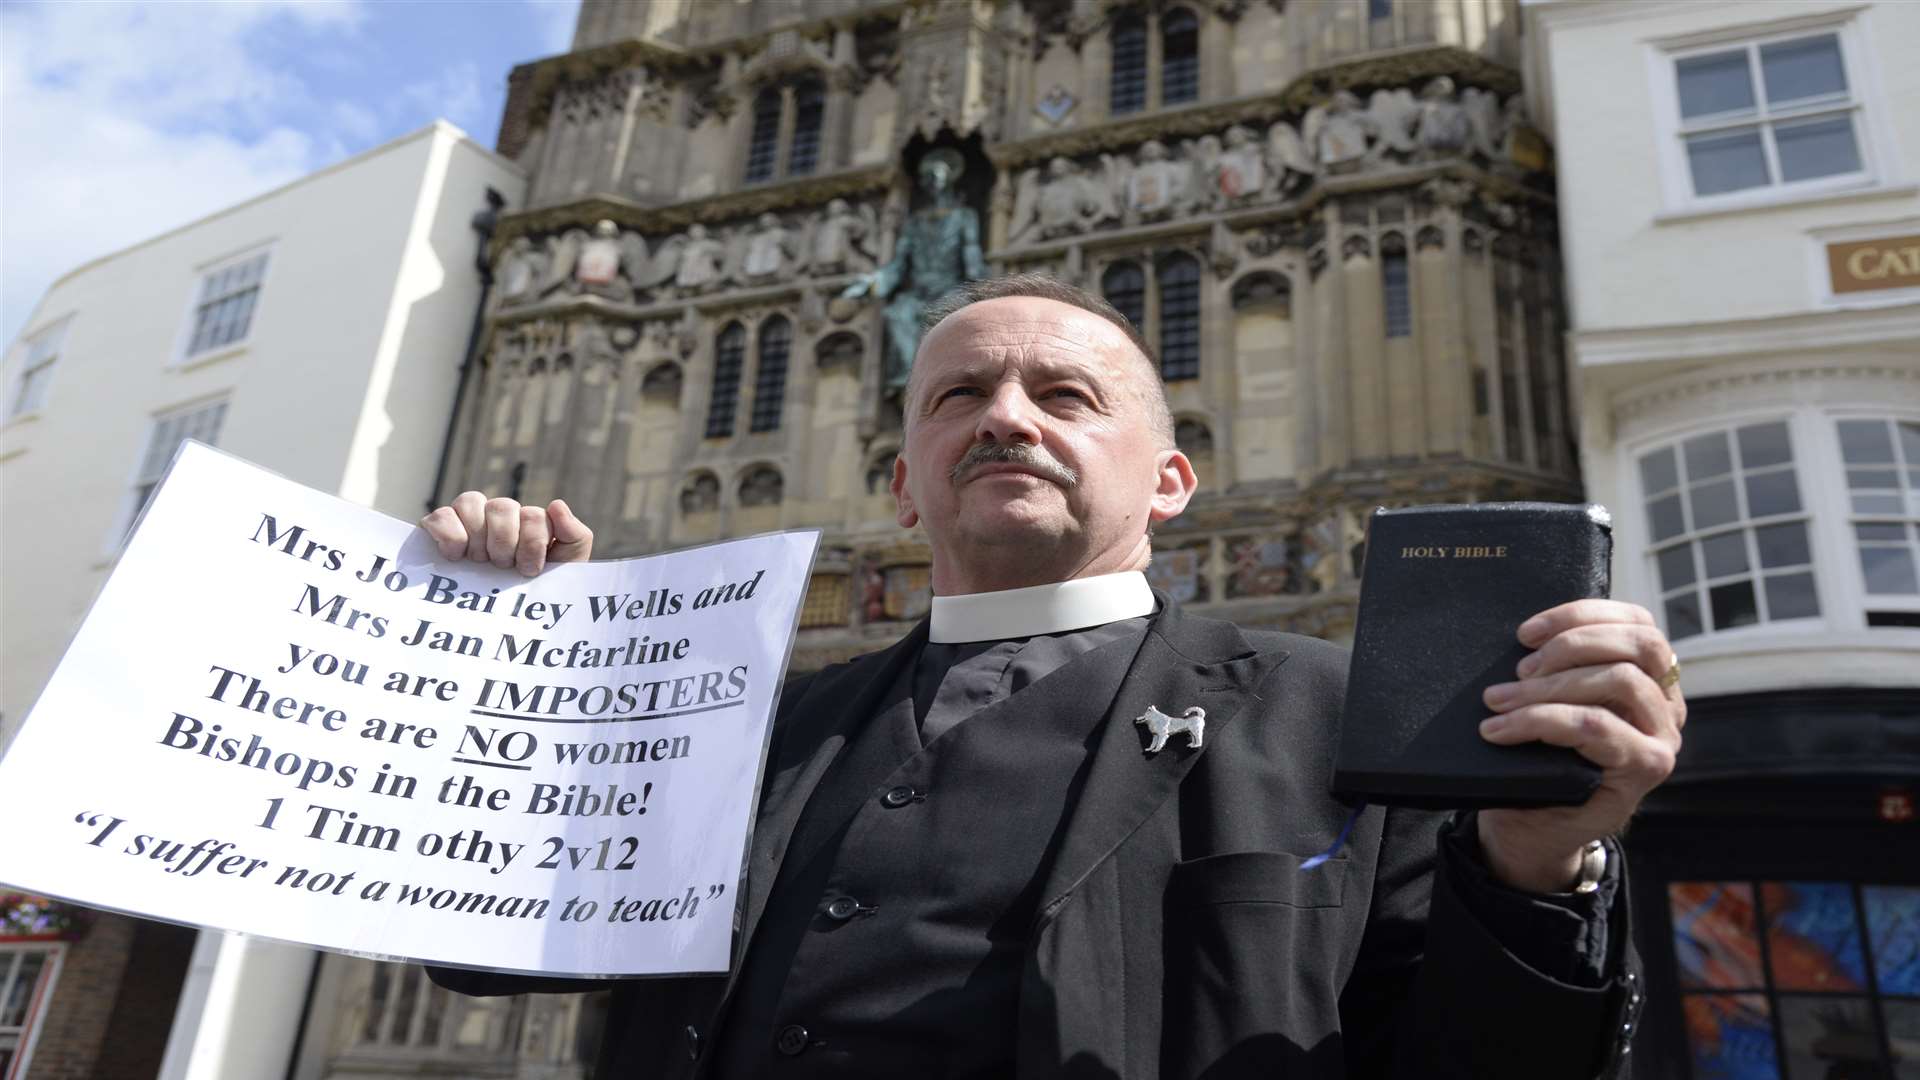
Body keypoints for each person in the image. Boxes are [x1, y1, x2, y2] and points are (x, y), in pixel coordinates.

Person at [422, 274, 1683, 1078]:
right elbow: (491, 949)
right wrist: (519, 666)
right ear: (907, 485)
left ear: (1171, 482)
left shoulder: (1337, 711)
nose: (1007, 417)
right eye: (959, 393)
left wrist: (1533, 864)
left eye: (1065, 394)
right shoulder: (755, 725)